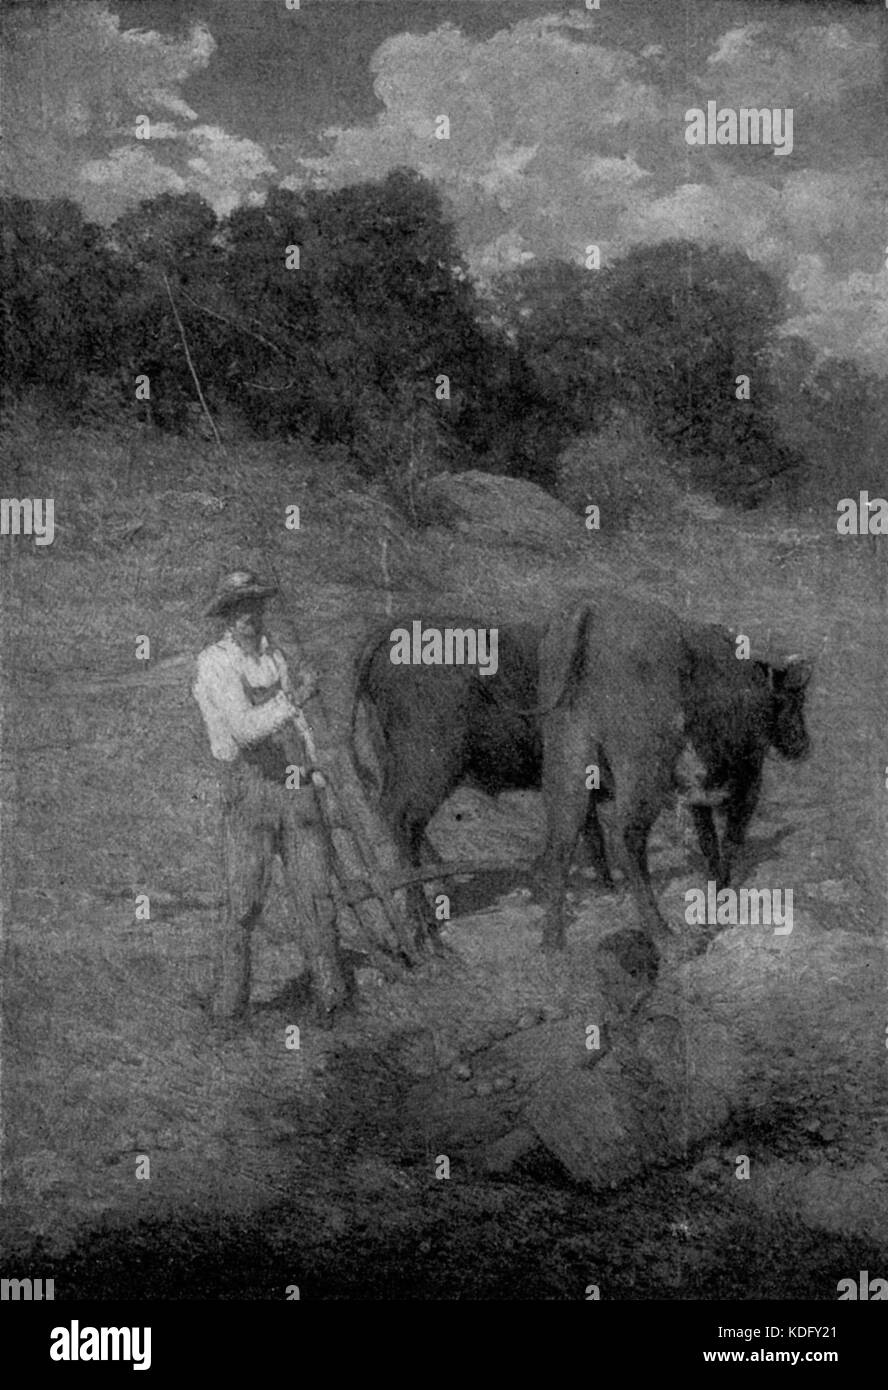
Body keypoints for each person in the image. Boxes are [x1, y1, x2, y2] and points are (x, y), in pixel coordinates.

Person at [192, 570, 351, 1024]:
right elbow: (244, 730)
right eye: (240, 609)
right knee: (243, 905)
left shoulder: (274, 657)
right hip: (251, 793)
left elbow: (299, 728)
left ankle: (332, 997)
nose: (249, 616)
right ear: (227, 615)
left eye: (256, 606)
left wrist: (314, 768)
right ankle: (229, 1008)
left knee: (315, 895)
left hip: (296, 790)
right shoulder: (215, 664)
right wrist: (295, 698)